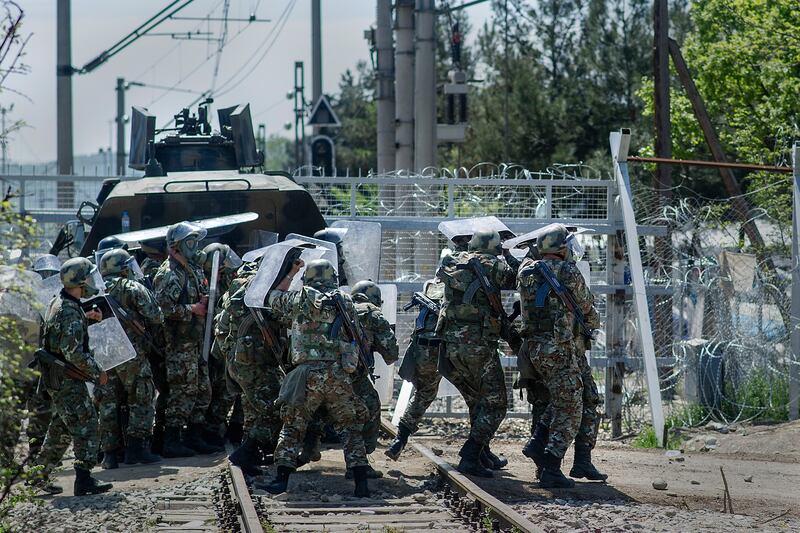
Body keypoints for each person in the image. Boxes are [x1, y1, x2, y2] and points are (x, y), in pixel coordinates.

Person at [263, 258, 370, 497]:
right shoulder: (345, 301)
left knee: (292, 426)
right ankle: (361, 484)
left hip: (306, 375)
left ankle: (281, 481)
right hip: (337, 374)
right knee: (350, 428)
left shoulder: (299, 299)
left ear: (308, 278)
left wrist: (290, 273)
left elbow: (272, 298)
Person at [515, 224, 602, 488]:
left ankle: (571, 456)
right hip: (560, 348)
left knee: (580, 396)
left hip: (536, 349)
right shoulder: (568, 271)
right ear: (562, 249)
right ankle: (551, 465)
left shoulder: (525, 271)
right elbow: (586, 306)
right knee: (570, 405)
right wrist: (592, 321)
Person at [436, 229, 517, 477]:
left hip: (450, 345)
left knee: (478, 400)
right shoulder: (494, 264)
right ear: (495, 247)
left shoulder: (452, 261)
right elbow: (516, 280)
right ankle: (470, 456)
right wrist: (509, 254)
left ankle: (481, 453)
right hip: (478, 345)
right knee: (496, 404)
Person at [37, 257, 113, 496]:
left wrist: (86, 318)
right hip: (67, 379)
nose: (91, 281)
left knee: (60, 428)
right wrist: (97, 372)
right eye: (88, 277)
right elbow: (73, 353)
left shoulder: (60, 302)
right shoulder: (69, 310)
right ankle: (84, 479)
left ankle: (38, 475)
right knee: (87, 425)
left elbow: (62, 335)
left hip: (57, 377)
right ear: (80, 281)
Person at [153, 221, 218, 457]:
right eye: (190, 242)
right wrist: (192, 309)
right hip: (179, 345)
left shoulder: (192, 269)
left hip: (196, 341)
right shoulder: (169, 273)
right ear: (176, 245)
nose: (195, 246)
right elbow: (161, 308)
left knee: (202, 390)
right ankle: (171, 441)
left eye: (196, 241)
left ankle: (193, 436)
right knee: (182, 392)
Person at [96, 249, 163, 468]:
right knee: (141, 396)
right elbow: (156, 316)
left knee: (108, 403)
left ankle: (110, 455)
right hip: (131, 353)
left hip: (104, 355)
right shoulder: (132, 287)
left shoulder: (93, 290)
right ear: (124, 269)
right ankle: (136, 449)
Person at [225, 268, 286, 476]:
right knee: (274, 409)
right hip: (254, 364)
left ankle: (251, 454)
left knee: (257, 410)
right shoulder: (257, 295)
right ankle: (245, 452)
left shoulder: (242, 292)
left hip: (247, 362)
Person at [386, 278, 444, 461]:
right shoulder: (457, 286)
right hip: (449, 347)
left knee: (423, 393)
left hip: (423, 348)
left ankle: (400, 439)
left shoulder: (431, 285)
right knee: (478, 394)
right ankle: (480, 447)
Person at [345, 280, 398, 477]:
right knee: (371, 407)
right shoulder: (372, 314)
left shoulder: (342, 308)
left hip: (323, 372)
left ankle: (307, 450)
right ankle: (360, 461)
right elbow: (391, 354)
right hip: (353, 376)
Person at [201, 243, 244, 447]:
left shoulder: (227, 279)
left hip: (223, 341)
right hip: (213, 343)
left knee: (228, 387)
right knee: (222, 388)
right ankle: (211, 429)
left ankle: (228, 427)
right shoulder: (206, 283)